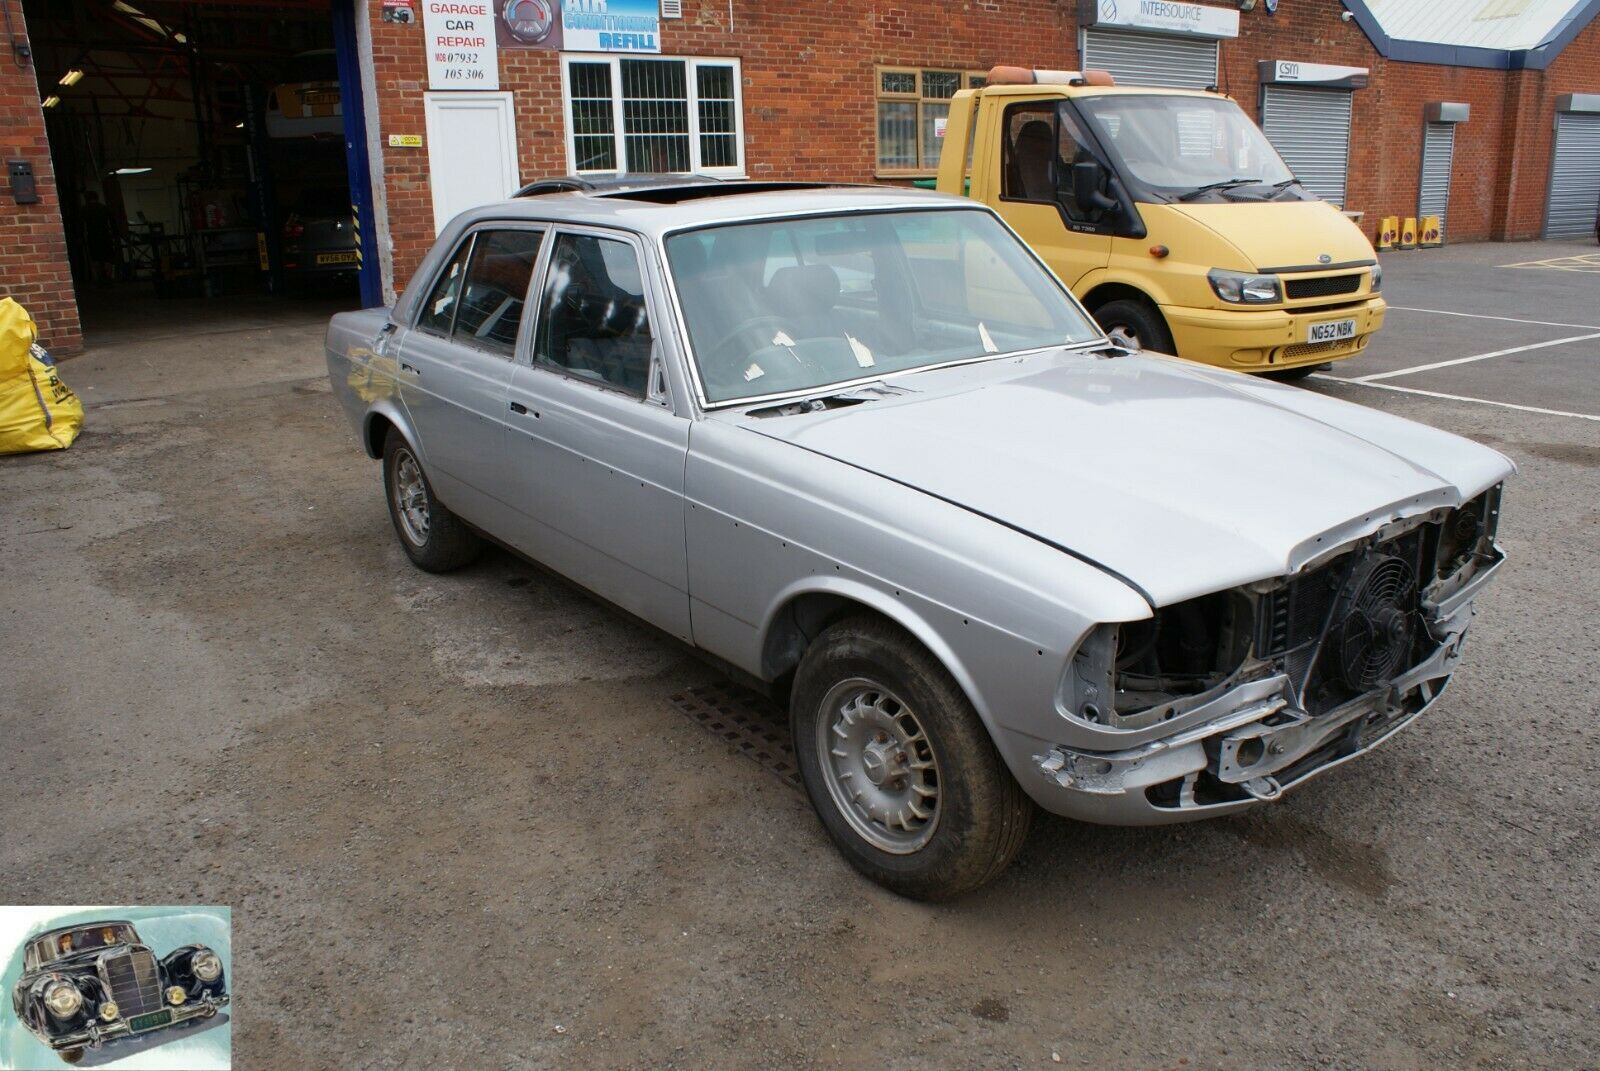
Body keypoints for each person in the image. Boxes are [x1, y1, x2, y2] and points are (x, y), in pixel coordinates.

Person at [80, 191, 118, 285]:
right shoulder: (104, 208)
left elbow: (81, 225)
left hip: (93, 237)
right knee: (108, 258)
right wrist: (115, 235)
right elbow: (113, 223)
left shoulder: (85, 209)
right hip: (105, 236)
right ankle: (108, 279)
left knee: (95, 258)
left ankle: (97, 280)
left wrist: (82, 238)